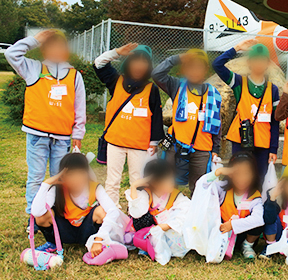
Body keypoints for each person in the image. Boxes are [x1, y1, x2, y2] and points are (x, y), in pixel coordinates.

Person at [5, 29, 86, 222]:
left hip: (62, 138)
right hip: (37, 135)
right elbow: (11, 53)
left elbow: (79, 106)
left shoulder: (74, 75)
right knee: (35, 178)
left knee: (59, 178)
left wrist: (78, 134)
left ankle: (56, 217)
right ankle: (35, 219)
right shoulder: (33, 68)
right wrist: (35, 39)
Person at [94, 42, 164, 204]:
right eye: (135, 60)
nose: (139, 65)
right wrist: (117, 52)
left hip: (139, 145)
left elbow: (156, 117)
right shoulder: (116, 81)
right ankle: (111, 210)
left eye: (144, 61)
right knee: (112, 181)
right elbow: (99, 64)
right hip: (115, 141)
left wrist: (154, 143)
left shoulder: (151, 89)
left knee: (137, 181)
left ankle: (136, 211)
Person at [152, 49, 221, 194]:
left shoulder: (213, 94)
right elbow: (157, 74)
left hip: (202, 150)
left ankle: (196, 209)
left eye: (199, 67)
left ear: (206, 70)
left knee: (200, 189)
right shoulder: (177, 86)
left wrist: (215, 149)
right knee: (168, 185)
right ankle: (170, 208)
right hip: (176, 146)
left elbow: (217, 123)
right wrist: (177, 58)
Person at [31, 153, 123, 261]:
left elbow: (113, 211)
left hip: (87, 232)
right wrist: (46, 184)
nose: (76, 179)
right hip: (64, 232)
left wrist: (99, 238)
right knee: (43, 216)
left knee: (101, 212)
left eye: (81, 173)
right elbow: (37, 213)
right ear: (62, 175)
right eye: (71, 174)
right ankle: (52, 243)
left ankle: (98, 244)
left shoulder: (94, 187)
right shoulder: (57, 189)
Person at [212, 38, 279, 179]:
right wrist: (236, 48)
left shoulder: (272, 90)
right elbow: (217, 64)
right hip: (241, 140)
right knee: (239, 177)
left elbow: (274, 121)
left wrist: (273, 148)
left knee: (258, 180)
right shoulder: (239, 82)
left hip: (263, 143)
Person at [126, 159, 191, 262]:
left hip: (165, 230)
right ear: (155, 183)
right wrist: (134, 187)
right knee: (142, 217)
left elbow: (187, 209)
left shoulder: (175, 195)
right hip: (148, 231)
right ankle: (145, 244)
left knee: (182, 216)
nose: (171, 182)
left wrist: (166, 226)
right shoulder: (146, 194)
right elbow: (137, 213)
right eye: (167, 179)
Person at [202, 152, 264, 259]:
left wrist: (233, 225)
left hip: (242, 234)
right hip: (222, 232)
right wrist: (217, 172)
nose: (242, 178)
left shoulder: (255, 196)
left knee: (259, 222)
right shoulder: (222, 189)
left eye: (246, 173)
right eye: (237, 173)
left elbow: (258, 219)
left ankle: (247, 245)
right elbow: (203, 187)